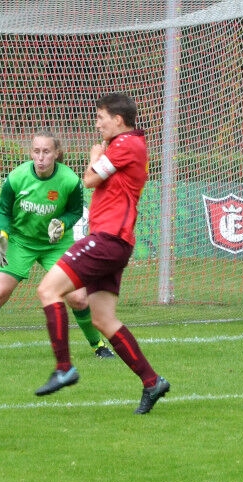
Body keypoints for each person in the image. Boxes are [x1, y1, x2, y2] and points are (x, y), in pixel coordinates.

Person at [35, 93, 170, 414]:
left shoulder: (125, 144)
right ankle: (152, 382)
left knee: (48, 290)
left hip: (108, 239)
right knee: (102, 319)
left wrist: (95, 156)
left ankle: (64, 368)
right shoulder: (128, 144)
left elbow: (89, 179)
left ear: (118, 120)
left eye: (101, 118)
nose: (97, 124)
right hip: (115, 242)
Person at [0, 131, 114, 360]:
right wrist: (1, 236)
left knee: (78, 298)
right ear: (31, 153)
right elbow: (3, 210)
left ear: (56, 153)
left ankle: (98, 345)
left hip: (56, 245)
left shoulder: (69, 180)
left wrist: (62, 223)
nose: (41, 157)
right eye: (36, 151)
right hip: (20, 242)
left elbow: (75, 211)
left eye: (46, 152)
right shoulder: (17, 177)